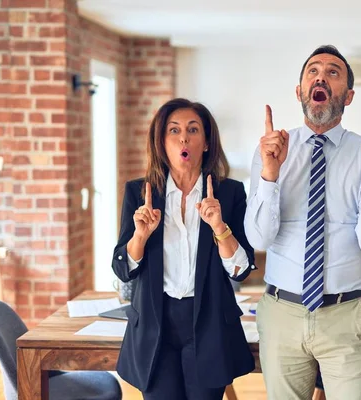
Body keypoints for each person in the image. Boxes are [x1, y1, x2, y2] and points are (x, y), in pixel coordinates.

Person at [244, 45, 361, 399]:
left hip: (345, 315)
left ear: (348, 95)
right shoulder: (271, 151)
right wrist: (269, 175)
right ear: (299, 91)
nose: (321, 76)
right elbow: (259, 237)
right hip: (282, 314)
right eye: (313, 71)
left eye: (333, 72)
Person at [112, 98, 256, 399]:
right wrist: (140, 236)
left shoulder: (229, 193)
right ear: (162, 142)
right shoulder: (139, 193)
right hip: (155, 326)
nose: (183, 138)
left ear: (205, 143)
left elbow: (241, 270)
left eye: (193, 130)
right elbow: (123, 268)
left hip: (209, 325)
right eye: (173, 130)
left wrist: (219, 226)